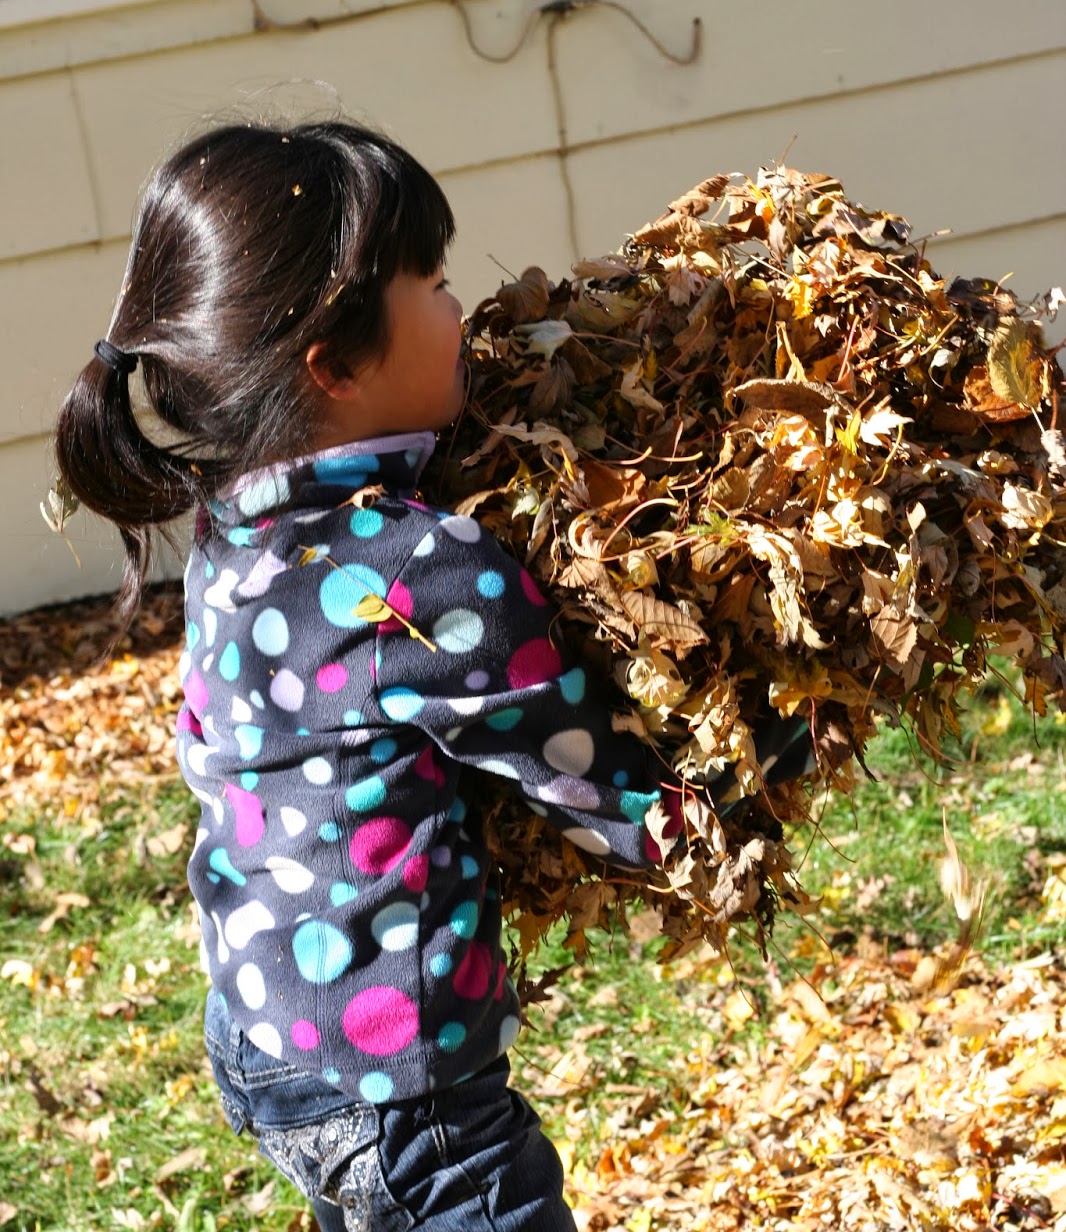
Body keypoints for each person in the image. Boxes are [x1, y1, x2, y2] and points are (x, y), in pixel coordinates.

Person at [52, 119, 689, 1232]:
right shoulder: (416, 570)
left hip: (267, 1039)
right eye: (435, 284)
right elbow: (602, 786)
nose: (463, 310)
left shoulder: (233, 532)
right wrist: (741, 774)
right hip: (407, 1096)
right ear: (336, 365)